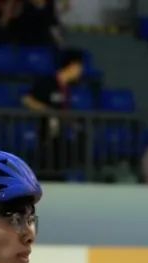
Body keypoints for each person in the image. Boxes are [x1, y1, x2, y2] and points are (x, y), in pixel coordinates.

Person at [22, 49, 86, 177]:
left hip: (61, 136)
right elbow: (27, 100)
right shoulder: (48, 82)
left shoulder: (68, 88)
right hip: (46, 136)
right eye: (79, 68)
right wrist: (50, 112)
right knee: (47, 170)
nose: (81, 71)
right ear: (72, 66)